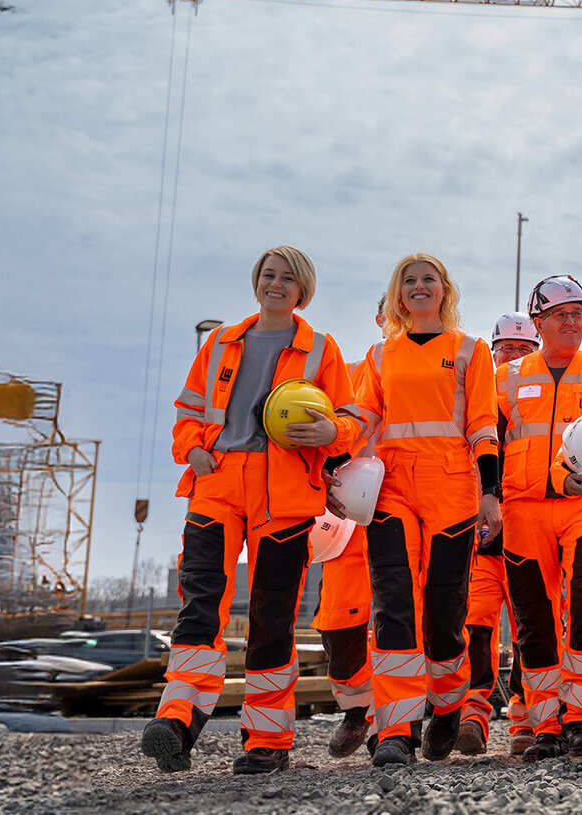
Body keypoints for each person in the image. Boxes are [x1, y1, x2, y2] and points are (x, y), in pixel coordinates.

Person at [142, 246, 363, 775]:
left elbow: (351, 418)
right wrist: (193, 449)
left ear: (302, 290)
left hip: (285, 497)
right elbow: (188, 411)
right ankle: (177, 721)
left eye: (288, 278)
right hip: (217, 488)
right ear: (256, 282)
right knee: (200, 606)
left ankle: (267, 741)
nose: (277, 284)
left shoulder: (320, 349)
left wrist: (334, 431)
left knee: (272, 620)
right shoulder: (220, 342)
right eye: (269, 275)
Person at [353, 253, 501, 766]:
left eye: (428, 280)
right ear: (399, 295)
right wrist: (335, 458)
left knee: (443, 614)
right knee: (394, 605)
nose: (419, 287)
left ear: (444, 291)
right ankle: (394, 729)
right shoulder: (378, 357)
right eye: (409, 281)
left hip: (452, 491)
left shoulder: (469, 350)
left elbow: (484, 424)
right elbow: (362, 420)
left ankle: (446, 706)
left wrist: (490, 492)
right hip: (391, 487)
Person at [497, 278, 582, 761]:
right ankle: (545, 723)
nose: (572, 322)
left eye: (579, 313)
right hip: (521, 510)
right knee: (533, 619)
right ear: (539, 322)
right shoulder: (505, 377)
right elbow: (487, 442)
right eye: (561, 314)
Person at [457, 311, 545, 757]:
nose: (512, 357)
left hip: (531, 529)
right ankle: (472, 716)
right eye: (505, 349)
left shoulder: (544, 400)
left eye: (522, 349)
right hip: (483, 535)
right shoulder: (474, 399)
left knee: (531, 627)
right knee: (476, 622)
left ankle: (526, 719)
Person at [312, 297, 387, 760]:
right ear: (379, 319)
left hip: (404, 508)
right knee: (339, 625)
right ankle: (358, 708)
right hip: (347, 516)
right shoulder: (352, 371)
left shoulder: (433, 376)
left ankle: (391, 722)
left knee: (399, 622)